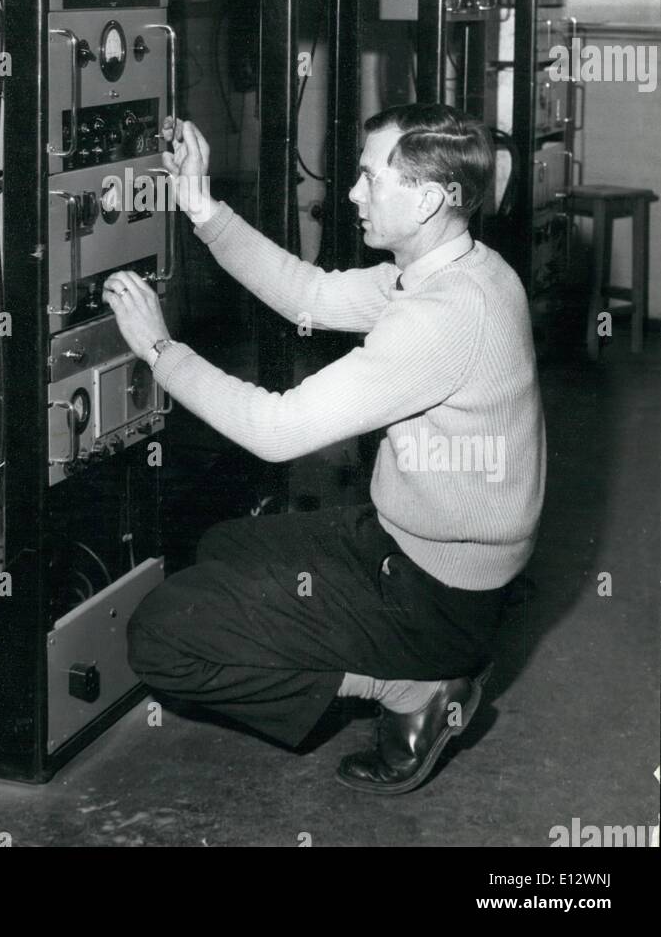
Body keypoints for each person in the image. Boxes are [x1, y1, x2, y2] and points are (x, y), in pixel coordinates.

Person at [101, 103, 546, 795]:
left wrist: (160, 352)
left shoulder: (441, 317)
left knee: (160, 636)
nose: (350, 193)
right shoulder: (454, 268)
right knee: (224, 545)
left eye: (369, 179)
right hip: (415, 545)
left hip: (436, 594)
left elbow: (275, 432)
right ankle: (407, 666)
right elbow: (307, 294)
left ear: (427, 197)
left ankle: (406, 686)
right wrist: (198, 204)